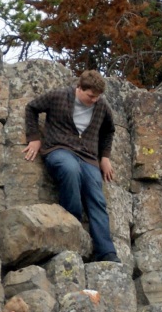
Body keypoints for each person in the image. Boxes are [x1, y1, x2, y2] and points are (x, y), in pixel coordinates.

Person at [23, 69, 120, 263]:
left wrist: (105, 157)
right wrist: (34, 138)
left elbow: (109, 130)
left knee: (96, 196)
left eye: (97, 96)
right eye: (90, 96)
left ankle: (107, 252)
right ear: (79, 88)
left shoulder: (101, 105)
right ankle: (72, 228)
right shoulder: (59, 96)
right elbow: (31, 108)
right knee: (70, 170)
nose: (94, 100)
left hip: (88, 157)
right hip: (59, 149)